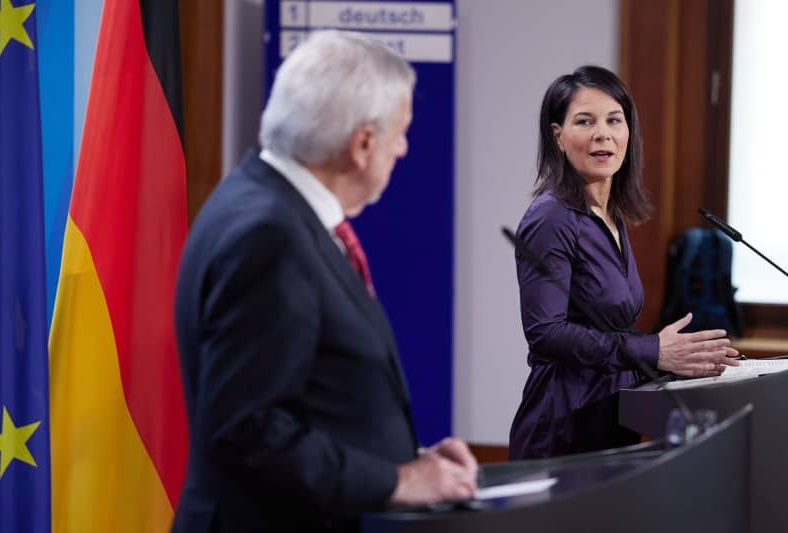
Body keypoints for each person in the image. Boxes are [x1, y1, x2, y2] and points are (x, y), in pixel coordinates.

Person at [171, 30, 477, 533]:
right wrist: (398, 482)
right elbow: (247, 431)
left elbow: (309, 396)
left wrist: (407, 463)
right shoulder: (268, 236)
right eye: (401, 132)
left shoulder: (262, 201)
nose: (402, 149)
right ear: (362, 143)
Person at [509, 65, 740, 460]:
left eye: (614, 120)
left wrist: (680, 359)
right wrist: (651, 350)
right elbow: (546, 333)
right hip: (564, 428)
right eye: (585, 121)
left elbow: (608, 328)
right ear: (558, 136)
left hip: (612, 417)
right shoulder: (552, 218)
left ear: (628, 133)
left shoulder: (610, 214)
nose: (603, 133)